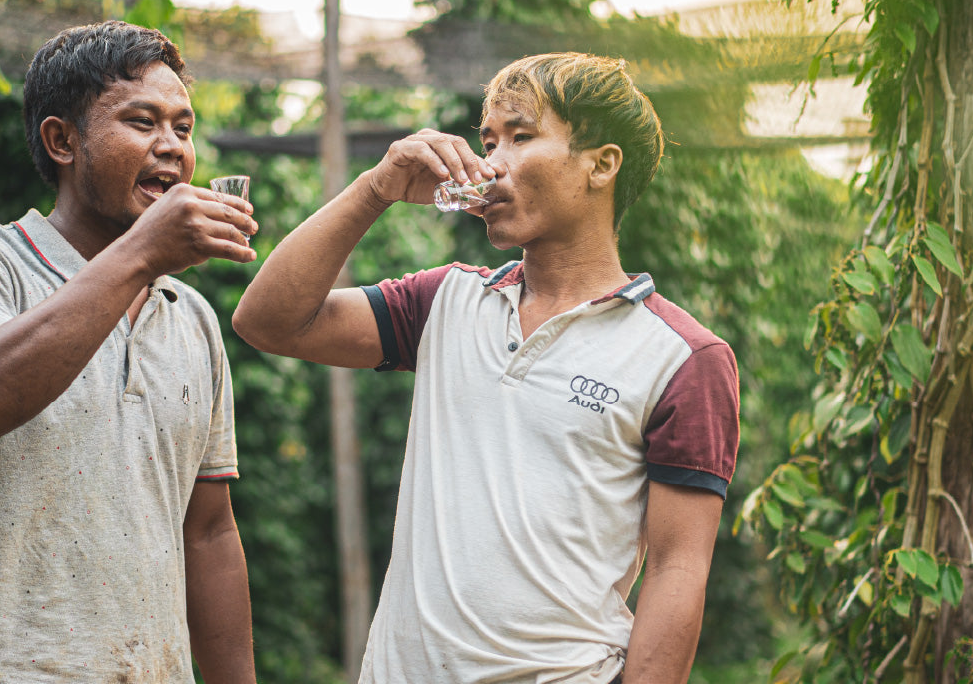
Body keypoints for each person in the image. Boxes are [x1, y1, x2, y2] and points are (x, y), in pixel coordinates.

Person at [232, 52, 740, 683]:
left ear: (602, 165)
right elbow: (268, 320)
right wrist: (376, 189)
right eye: (488, 140)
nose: (489, 163)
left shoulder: (684, 358)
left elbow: (676, 573)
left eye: (521, 137)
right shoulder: (445, 300)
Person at [0, 20, 260, 683]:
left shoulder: (192, 319)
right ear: (61, 140)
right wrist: (144, 252)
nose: (172, 149)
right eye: (142, 122)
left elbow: (208, 534)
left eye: (183, 129)